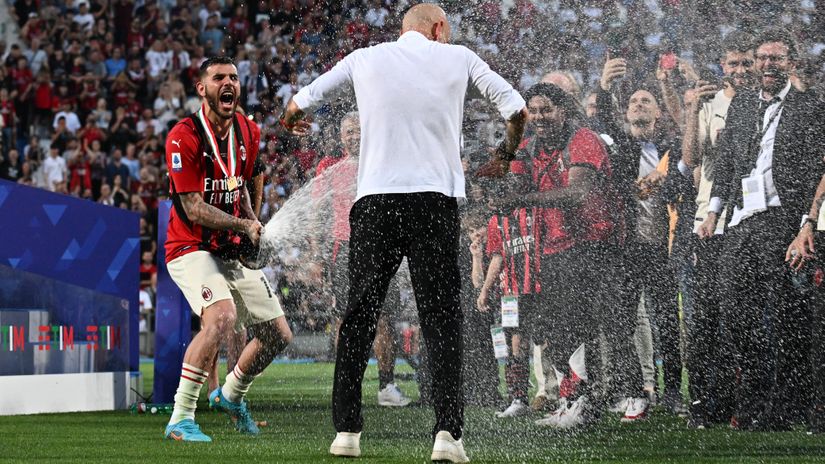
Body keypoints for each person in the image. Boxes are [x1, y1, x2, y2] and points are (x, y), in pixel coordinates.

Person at [282, 4, 526, 462]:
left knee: (359, 314)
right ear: (438, 29)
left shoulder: (364, 58)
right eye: (447, 30)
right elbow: (517, 109)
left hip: (374, 202)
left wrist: (292, 120)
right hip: (434, 202)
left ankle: (347, 432)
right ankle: (448, 436)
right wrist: (506, 155)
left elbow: (298, 104)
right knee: (441, 318)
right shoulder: (460, 57)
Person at [698, 28, 825, 431]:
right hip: (741, 221)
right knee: (737, 316)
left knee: (786, 318)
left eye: (776, 58)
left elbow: (816, 170)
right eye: (762, 58)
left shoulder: (809, 108)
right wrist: (713, 213)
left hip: (781, 220)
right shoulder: (741, 108)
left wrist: (807, 224)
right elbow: (726, 166)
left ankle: (786, 407)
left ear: (790, 63)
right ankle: (750, 402)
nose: (768, 64)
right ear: (752, 63)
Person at [162, 56, 292, 442]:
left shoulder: (249, 131)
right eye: (219, 77)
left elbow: (254, 174)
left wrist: (253, 220)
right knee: (221, 318)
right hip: (191, 246)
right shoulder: (183, 136)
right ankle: (180, 419)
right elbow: (193, 207)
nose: (228, 83)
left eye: (234, 77)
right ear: (202, 88)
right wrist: (243, 224)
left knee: (277, 334)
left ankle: (231, 395)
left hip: (231, 247)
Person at [597, 59, 686, 414]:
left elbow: (685, 175)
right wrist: (604, 90)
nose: (638, 104)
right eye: (633, 101)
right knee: (621, 321)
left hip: (663, 251)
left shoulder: (671, 151)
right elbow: (601, 122)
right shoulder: (619, 147)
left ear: (659, 113)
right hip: (627, 251)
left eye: (646, 101)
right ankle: (635, 389)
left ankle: (675, 392)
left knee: (666, 323)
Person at [680, 31, 755, 428]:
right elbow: (691, 157)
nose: (741, 70)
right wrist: (692, 110)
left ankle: (743, 398)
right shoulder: (710, 103)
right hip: (708, 221)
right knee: (706, 316)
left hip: (750, 219)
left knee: (741, 315)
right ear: (722, 66)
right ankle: (706, 399)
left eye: (747, 63)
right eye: (734, 64)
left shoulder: (764, 103)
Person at [315, 112, 412, 408]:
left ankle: (386, 386)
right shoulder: (330, 169)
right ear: (341, 136)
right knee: (345, 319)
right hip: (344, 249)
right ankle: (345, 388)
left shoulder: (383, 164)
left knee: (384, 318)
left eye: (358, 130)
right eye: (348, 131)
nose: (354, 136)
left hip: (381, 247)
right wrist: (317, 258)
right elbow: (318, 216)